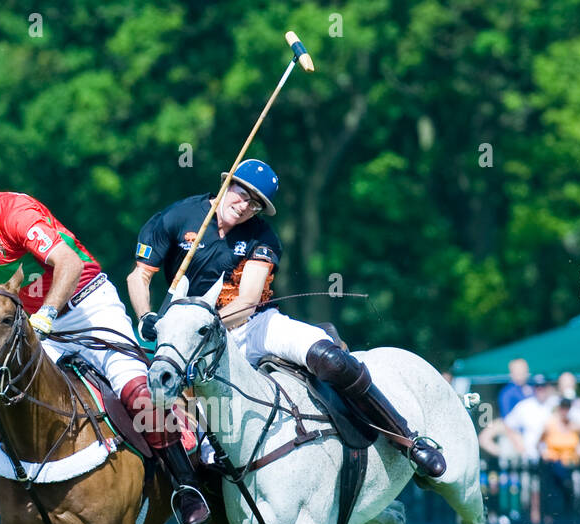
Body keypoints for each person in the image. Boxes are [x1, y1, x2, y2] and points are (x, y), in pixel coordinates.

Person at [0, 152, 212, 524]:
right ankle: (19, 519)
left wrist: (47, 315)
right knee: (5, 398)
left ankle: (185, 488)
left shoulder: (13, 212)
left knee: (136, 391)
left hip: (87, 307)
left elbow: (68, 264)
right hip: (40, 325)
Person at [127, 158, 446, 486]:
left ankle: (405, 438)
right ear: (227, 184)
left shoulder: (261, 236)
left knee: (330, 356)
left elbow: (248, 301)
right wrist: (147, 316)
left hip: (250, 327)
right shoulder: (176, 217)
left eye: (256, 203)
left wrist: (205, 325)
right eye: (242, 193)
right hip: (187, 340)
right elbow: (139, 276)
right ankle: (186, 491)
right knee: (153, 405)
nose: (245, 205)